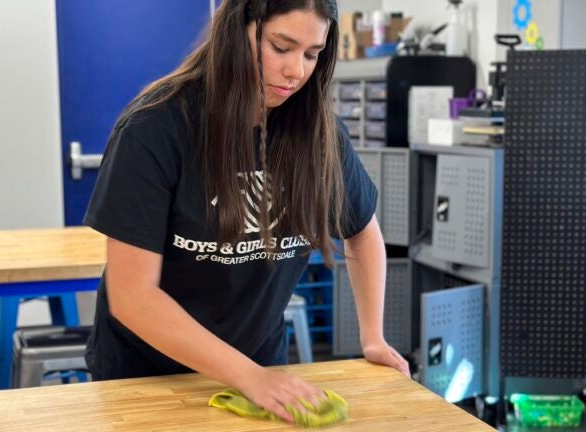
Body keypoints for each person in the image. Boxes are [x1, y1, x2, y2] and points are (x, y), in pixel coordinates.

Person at [83, 0, 410, 424]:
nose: (296, 70)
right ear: (237, 31)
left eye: (312, 54)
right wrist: (249, 376)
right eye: (281, 47)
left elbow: (362, 231)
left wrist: (373, 337)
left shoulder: (317, 133)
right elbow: (133, 298)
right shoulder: (155, 127)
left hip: (257, 366)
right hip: (146, 376)